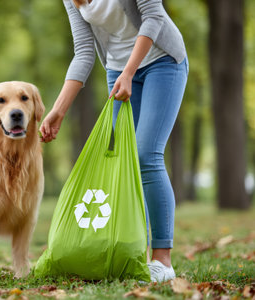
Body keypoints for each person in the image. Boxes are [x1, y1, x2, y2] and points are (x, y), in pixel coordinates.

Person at [39, 0, 188, 282]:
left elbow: (154, 17)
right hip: (118, 71)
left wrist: (129, 72)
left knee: (146, 156)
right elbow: (84, 52)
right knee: (122, 159)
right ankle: (130, 250)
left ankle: (162, 260)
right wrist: (58, 110)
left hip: (162, 61)